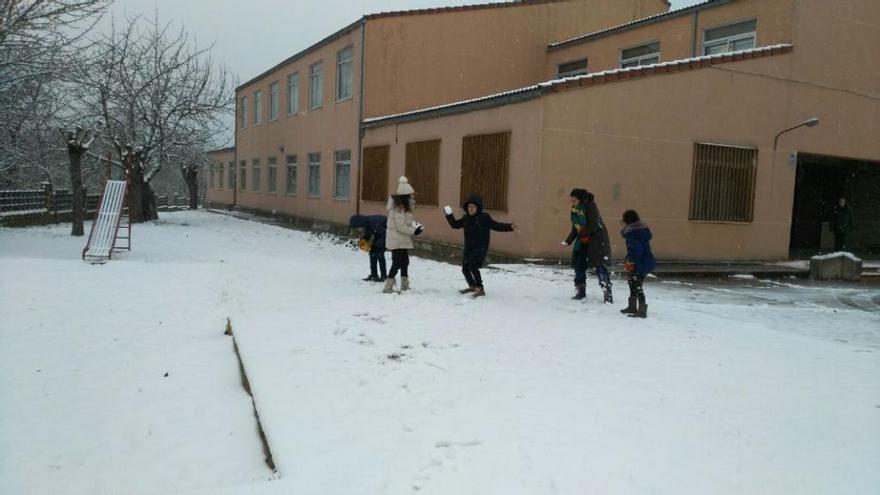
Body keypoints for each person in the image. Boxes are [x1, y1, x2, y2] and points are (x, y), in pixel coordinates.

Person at [443, 195, 517, 298]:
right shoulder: (466, 218)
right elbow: (455, 225)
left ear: (478, 208)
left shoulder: (484, 218)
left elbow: (496, 225)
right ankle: (472, 286)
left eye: (473, 207)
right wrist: (449, 215)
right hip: (469, 248)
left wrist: (509, 227)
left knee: (472, 264)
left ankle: (480, 288)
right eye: (469, 207)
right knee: (465, 268)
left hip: (480, 247)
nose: (471, 209)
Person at [562, 188, 612, 303]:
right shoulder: (574, 210)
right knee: (579, 265)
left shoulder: (591, 207)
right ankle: (581, 291)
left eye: (574, 201)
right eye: (571, 201)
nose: (572, 203)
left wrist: (584, 233)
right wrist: (568, 241)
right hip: (583, 240)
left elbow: (593, 225)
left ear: (581, 199)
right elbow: (575, 227)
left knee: (600, 266)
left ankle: (607, 293)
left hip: (596, 241)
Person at [384, 177, 424, 294]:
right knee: (397, 263)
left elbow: (407, 222)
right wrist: (413, 231)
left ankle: (405, 285)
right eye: (410, 196)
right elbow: (400, 226)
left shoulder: (404, 207)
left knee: (405, 262)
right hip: (397, 240)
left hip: (402, 239)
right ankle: (388, 286)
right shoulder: (399, 208)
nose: (412, 197)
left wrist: (415, 226)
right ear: (405, 196)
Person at [619, 209, 656, 319]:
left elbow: (636, 250)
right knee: (632, 282)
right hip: (645, 260)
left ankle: (642, 310)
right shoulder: (640, 231)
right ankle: (632, 307)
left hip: (640, 262)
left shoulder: (632, 233)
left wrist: (630, 260)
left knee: (636, 285)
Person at [349, 214, 387, 282]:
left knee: (379, 255)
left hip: (385, 235)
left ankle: (384, 276)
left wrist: (377, 244)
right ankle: (373, 275)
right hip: (378, 236)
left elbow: (384, 234)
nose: (357, 229)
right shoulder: (366, 224)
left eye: (357, 227)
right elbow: (367, 234)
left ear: (360, 224)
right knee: (372, 255)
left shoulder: (375, 223)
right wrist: (363, 241)